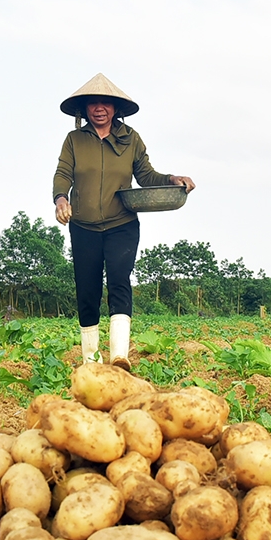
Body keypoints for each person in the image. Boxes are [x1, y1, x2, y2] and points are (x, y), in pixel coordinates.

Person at [52, 73, 195, 370]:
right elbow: (63, 173)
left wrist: (171, 179)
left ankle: (119, 357)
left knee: (119, 282)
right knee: (87, 290)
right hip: (84, 227)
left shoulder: (131, 140)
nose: (99, 108)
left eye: (106, 103)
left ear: (116, 108)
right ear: (85, 108)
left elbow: (146, 176)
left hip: (122, 224)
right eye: (93, 103)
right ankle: (91, 362)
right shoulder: (74, 140)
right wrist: (61, 199)